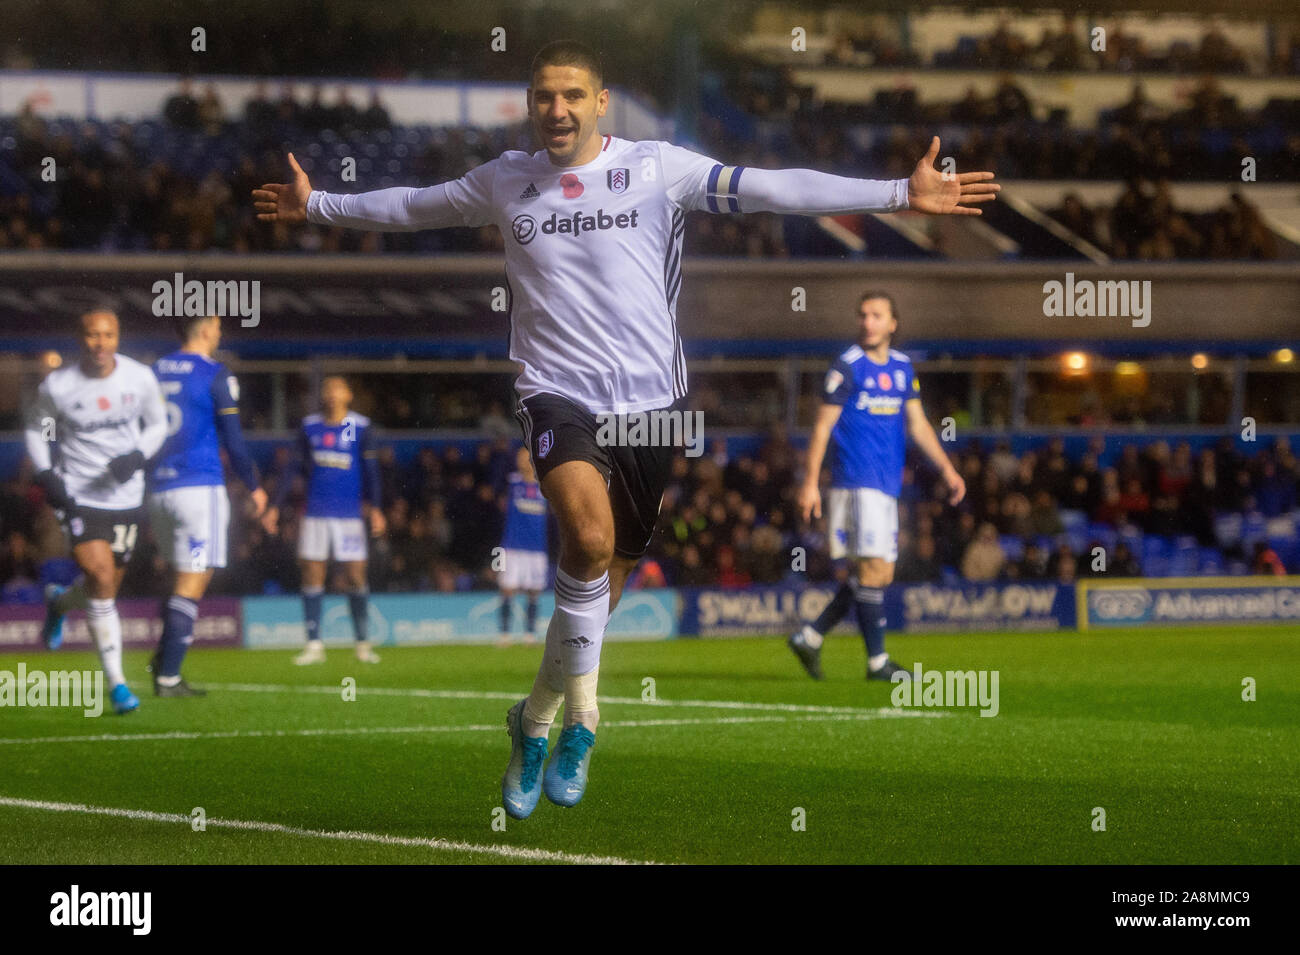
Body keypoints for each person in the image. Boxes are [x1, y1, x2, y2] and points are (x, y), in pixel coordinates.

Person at [251, 40, 999, 818]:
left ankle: (532, 719)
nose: (558, 109)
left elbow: (770, 188)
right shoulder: (505, 179)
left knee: (599, 593)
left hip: (654, 409)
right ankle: (584, 720)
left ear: (600, 101)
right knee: (588, 540)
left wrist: (894, 194)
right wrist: (319, 206)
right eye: (544, 96)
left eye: (573, 94)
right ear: (530, 103)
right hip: (556, 395)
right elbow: (411, 205)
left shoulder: (656, 168)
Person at [789, 292, 966, 680]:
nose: (867, 322)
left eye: (876, 315)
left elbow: (917, 425)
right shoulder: (847, 367)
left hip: (886, 486)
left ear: (892, 324)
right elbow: (822, 427)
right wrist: (810, 483)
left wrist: (948, 470)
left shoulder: (903, 368)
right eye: (863, 315)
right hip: (856, 481)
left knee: (879, 575)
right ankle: (878, 663)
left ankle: (811, 636)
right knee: (874, 569)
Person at [26, 310, 167, 714]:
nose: (100, 343)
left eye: (108, 334)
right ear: (80, 337)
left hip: (125, 497)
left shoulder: (139, 378)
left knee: (103, 587)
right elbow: (43, 427)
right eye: (92, 335)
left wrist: (138, 455)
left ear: (118, 338)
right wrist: (47, 471)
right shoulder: (60, 386)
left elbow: (157, 424)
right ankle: (118, 685)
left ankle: (59, 603)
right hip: (77, 496)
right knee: (100, 576)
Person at [147, 315, 267, 696]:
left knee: (179, 576)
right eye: (216, 327)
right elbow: (233, 437)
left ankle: (164, 655)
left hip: (158, 491)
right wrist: (253, 485)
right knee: (193, 580)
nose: (220, 333)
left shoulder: (152, 371)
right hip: (198, 488)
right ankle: (168, 675)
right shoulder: (215, 373)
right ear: (203, 330)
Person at [262, 377, 384, 664]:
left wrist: (376, 508)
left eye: (337, 388)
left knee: (355, 575)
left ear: (348, 394)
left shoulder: (359, 427)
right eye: (326, 388)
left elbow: (370, 470)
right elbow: (292, 468)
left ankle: (362, 643)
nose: (331, 393)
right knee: (312, 574)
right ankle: (314, 645)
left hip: (349, 515)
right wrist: (275, 507)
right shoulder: (310, 427)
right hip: (315, 512)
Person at [497, 446, 549, 643]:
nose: (523, 462)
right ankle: (504, 633)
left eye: (526, 458)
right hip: (511, 547)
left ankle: (530, 633)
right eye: (520, 458)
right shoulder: (511, 482)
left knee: (534, 591)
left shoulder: (544, 485)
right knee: (506, 588)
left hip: (537, 548)